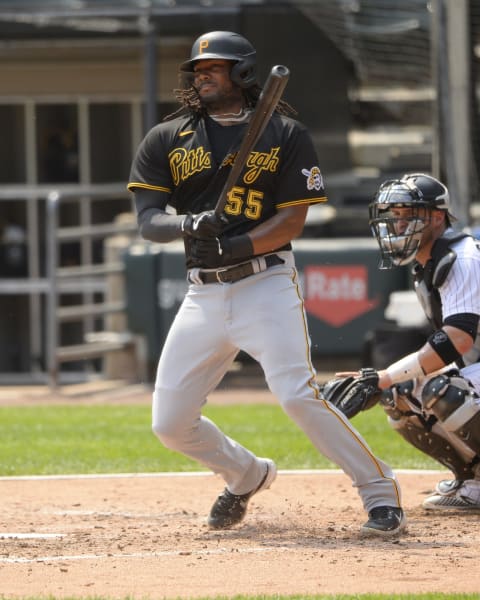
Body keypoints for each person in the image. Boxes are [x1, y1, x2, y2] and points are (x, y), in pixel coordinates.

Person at [127, 30, 405, 536]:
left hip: (265, 284)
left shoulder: (285, 132)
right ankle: (245, 474)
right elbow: (148, 220)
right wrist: (189, 225)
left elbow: (292, 220)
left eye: (215, 68)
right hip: (203, 293)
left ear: (244, 73)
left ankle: (380, 494)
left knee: (297, 393)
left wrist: (234, 245)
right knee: (169, 423)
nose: (203, 76)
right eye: (198, 70)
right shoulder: (167, 137)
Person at [327, 173, 480, 511]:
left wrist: (384, 375)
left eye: (409, 215)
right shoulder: (427, 264)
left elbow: (458, 337)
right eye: (395, 216)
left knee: (442, 391)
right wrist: (388, 379)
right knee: (399, 394)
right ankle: (473, 482)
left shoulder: (461, 257)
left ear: (437, 217)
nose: (398, 225)